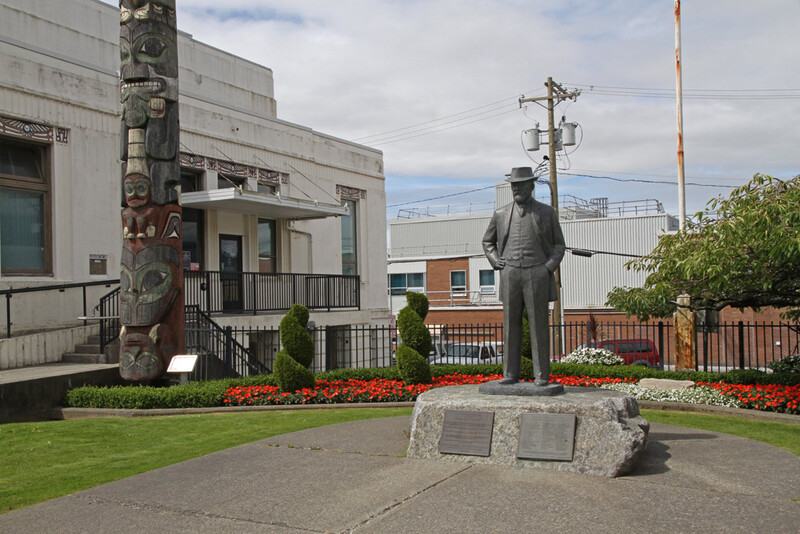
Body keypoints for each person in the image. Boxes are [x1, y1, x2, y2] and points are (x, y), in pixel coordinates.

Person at [482, 167, 565, 386]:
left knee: (539, 325)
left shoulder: (547, 213)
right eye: (513, 185)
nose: (516, 188)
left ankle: (542, 375)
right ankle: (510, 373)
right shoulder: (501, 214)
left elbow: (559, 246)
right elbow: (487, 242)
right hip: (510, 273)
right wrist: (494, 259)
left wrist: (547, 268)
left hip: (536, 271)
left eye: (520, 184)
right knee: (510, 325)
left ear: (531, 185)